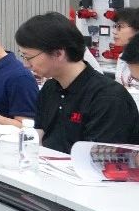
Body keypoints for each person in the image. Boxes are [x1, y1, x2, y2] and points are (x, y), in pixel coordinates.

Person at [16, 12, 139, 153]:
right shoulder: (50, 88)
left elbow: (98, 159)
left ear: (58, 53)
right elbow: (40, 134)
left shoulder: (108, 98)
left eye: (28, 57)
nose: (26, 64)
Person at [111, 7, 139, 86]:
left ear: (137, 29)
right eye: (115, 26)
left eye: (120, 26)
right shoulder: (122, 57)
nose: (114, 32)